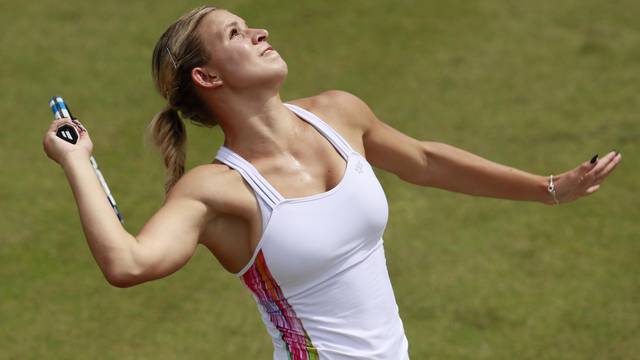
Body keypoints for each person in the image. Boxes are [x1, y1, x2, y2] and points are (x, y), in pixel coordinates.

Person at [42, 5, 622, 360]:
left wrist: (549, 187)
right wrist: (78, 161)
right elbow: (129, 264)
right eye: (238, 33)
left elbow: (423, 160)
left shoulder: (337, 112)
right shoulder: (216, 190)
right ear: (208, 76)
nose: (261, 31)